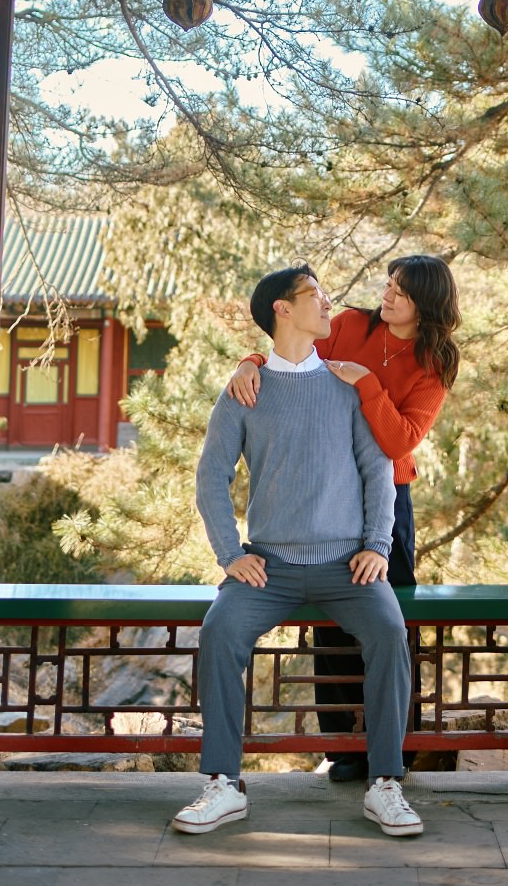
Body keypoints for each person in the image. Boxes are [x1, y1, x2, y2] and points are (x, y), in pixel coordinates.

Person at [171, 263, 423, 839]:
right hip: (270, 568)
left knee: (389, 634)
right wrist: (229, 553)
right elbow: (211, 477)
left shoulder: (350, 386)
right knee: (219, 634)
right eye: (315, 295)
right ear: (283, 310)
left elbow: (377, 471)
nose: (329, 301)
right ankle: (223, 785)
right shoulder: (244, 390)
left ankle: (386, 783)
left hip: (347, 567)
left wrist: (377, 547)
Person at [227, 253, 461, 781]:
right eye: (390, 284)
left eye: (401, 291)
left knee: (390, 621)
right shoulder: (352, 324)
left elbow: (401, 438)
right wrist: (250, 362)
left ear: (426, 303)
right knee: (331, 625)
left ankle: (396, 747)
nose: (389, 295)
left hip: (388, 502)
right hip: (328, 489)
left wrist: (364, 383)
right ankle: (344, 747)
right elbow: (293, 354)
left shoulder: (435, 363)